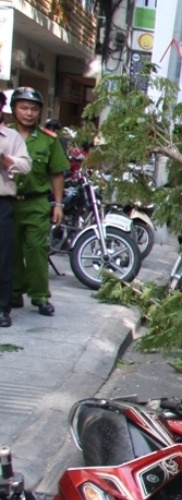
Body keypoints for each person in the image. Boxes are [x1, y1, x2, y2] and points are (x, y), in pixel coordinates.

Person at [9, 87, 69, 316]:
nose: (28, 113)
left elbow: (57, 174)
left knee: (36, 249)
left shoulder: (48, 140)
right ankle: (13, 293)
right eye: (23, 108)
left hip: (36, 203)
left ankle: (39, 296)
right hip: (8, 202)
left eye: (34, 109)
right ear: (14, 109)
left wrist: (58, 204)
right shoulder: (5, 134)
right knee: (9, 249)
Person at [0, 92, 31, 328]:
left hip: (3, 203)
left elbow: (25, 165)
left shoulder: (10, 137)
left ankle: (2, 308)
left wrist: (6, 160)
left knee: (4, 257)